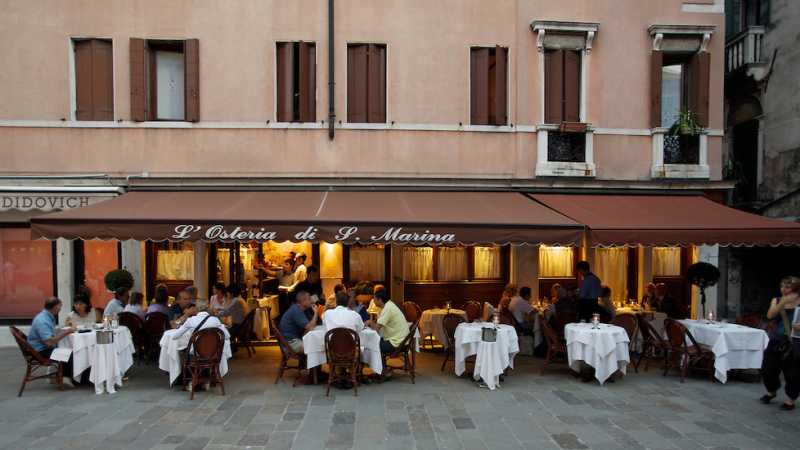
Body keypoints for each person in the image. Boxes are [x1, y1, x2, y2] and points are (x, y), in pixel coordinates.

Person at [761, 276, 800, 411]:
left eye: (787, 286)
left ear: (795, 288)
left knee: (792, 372)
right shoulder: (777, 300)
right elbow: (770, 315)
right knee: (768, 367)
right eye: (782, 286)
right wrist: (782, 302)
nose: (783, 289)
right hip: (776, 338)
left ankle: (791, 399)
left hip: (795, 340)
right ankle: (771, 391)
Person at [28, 297, 76, 386]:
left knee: (68, 348)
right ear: (55, 307)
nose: (60, 308)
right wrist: (67, 332)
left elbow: (49, 334)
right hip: (40, 351)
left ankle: (65, 376)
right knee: (71, 353)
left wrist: (61, 330)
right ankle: (65, 377)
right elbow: (49, 343)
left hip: (40, 347)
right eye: (60, 306)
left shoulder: (47, 316)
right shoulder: (42, 320)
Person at [366, 289, 408, 355]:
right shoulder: (388, 305)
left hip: (397, 343)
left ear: (379, 300)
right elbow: (380, 322)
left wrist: (370, 322)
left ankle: (377, 365)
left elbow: (376, 328)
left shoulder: (388, 308)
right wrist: (371, 322)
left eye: (374, 299)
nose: (373, 301)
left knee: (370, 345)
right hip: (402, 340)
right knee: (372, 342)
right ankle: (378, 364)